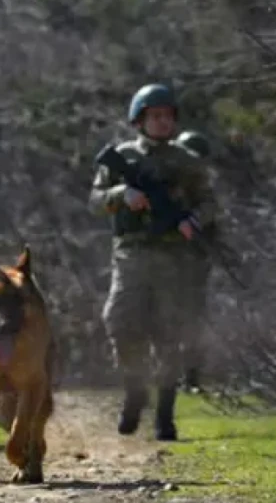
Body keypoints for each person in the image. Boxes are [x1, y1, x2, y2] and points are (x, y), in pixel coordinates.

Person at [87, 83, 217, 441]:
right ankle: (134, 389)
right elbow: (95, 200)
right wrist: (121, 194)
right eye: (155, 116)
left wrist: (193, 221)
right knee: (120, 322)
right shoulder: (123, 156)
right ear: (139, 119)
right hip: (131, 254)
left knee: (169, 336)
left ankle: (165, 413)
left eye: (167, 116)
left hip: (174, 257)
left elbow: (209, 202)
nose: (162, 122)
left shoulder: (186, 162)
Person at [173, 129, 215, 393]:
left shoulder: (202, 192)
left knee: (191, 320)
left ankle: (190, 377)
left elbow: (209, 216)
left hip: (192, 263)